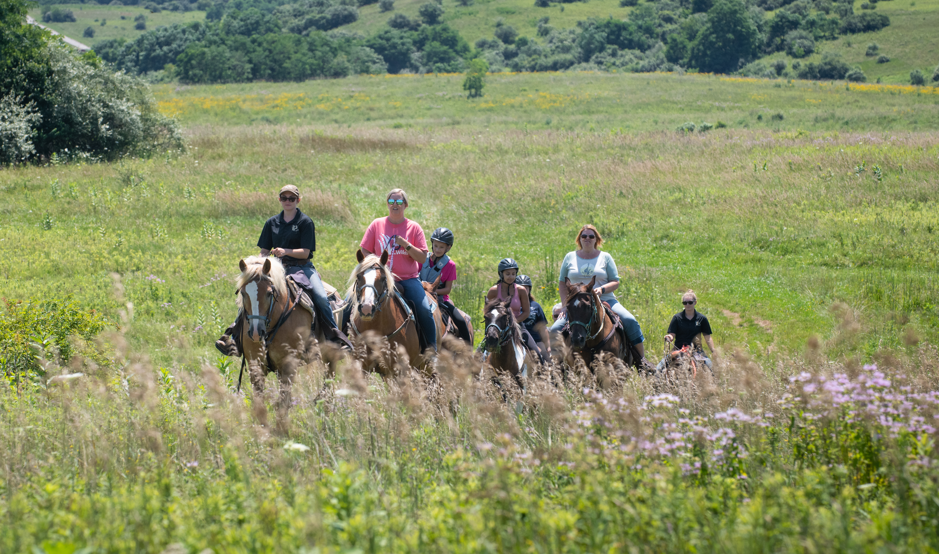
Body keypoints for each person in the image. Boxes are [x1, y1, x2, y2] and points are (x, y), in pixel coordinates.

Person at [216, 185, 350, 356]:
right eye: (284, 198)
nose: (288, 201)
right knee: (252, 293)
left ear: (298, 200)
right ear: (279, 200)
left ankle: (334, 338)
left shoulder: (305, 222)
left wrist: (285, 251)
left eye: (291, 199)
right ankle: (234, 336)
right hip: (275, 269)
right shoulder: (271, 222)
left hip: (302, 267)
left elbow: (306, 252)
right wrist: (260, 262)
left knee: (321, 297)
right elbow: (264, 250)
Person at [549, 224, 648, 362]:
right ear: (579, 239)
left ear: (596, 239)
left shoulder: (605, 257)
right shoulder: (569, 257)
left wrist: (602, 289)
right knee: (555, 329)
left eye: (591, 236)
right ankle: (554, 367)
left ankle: (641, 360)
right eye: (584, 236)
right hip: (575, 304)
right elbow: (562, 283)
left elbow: (615, 281)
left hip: (605, 299)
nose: (587, 238)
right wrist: (565, 306)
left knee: (630, 320)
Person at [359, 188, 437, 353]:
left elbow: (423, 258)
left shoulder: (413, 228)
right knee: (349, 303)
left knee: (424, 309)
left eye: (399, 202)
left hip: (407, 279)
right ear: (387, 204)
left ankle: (431, 351)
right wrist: (375, 263)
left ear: (406, 205)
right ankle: (345, 344)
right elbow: (365, 250)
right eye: (392, 201)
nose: (395, 205)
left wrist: (406, 245)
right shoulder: (376, 224)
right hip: (379, 278)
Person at [485, 259, 545, 363]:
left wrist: (513, 322)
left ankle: (541, 376)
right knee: (479, 353)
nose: (511, 277)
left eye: (513, 274)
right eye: (507, 274)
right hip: (498, 327)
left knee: (537, 353)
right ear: (501, 274)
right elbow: (487, 312)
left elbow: (526, 312)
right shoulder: (493, 291)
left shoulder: (521, 290)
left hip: (518, 326)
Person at [419, 227, 472, 344]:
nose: (437, 249)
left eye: (441, 247)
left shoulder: (450, 265)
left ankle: (468, 351)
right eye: (435, 245)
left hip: (440, 299)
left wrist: (433, 292)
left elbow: (447, 289)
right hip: (418, 293)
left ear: (448, 247)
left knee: (461, 321)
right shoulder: (422, 258)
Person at [656, 290, 716, 371]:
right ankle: (656, 383)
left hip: (696, 352)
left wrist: (714, 351)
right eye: (685, 303)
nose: (687, 305)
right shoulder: (677, 318)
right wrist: (669, 337)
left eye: (690, 302)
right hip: (678, 350)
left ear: (695, 303)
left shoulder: (702, 319)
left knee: (712, 368)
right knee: (658, 369)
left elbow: (708, 337)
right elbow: (672, 335)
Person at [516, 274, 551, 360]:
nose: (524, 290)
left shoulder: (536, 306)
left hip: (536, 340)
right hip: (517, 339)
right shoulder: (511, 305)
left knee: (546, 361)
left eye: (526, 288)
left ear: (529, 289)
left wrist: (548, 346)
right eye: (521, 288)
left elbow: (543, 328)